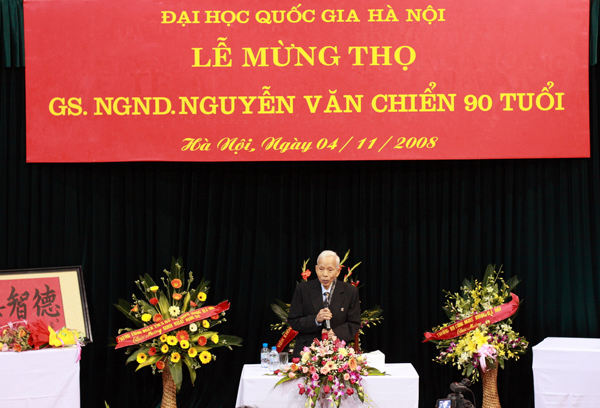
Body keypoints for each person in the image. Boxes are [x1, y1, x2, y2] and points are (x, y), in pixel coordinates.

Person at [287, 250, 361, 358]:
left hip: (337, 353)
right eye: (321, 269)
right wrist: (315, 320)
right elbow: (294, 321)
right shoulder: (303, 289)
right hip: (306, 351)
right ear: (316, 269)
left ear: (337, 271)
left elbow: (354, 323)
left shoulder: (350, 292)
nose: (325, 274)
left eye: (330, 270)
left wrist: (335, 333)